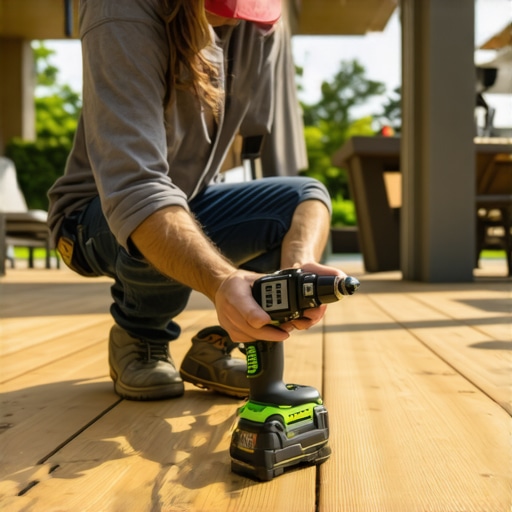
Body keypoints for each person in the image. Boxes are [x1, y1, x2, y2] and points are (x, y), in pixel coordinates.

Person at [48, 0, 346, 401]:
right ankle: (141, 334)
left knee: (304, 200)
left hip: (184, 195)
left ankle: (219, 342)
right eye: (223, 8)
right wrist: (222, 281)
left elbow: (260, 154)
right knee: (161, 212)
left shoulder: (259, 23)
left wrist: (292, 275)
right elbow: (137, 188)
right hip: (90, 217)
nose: (233, 20)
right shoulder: (118, 8)